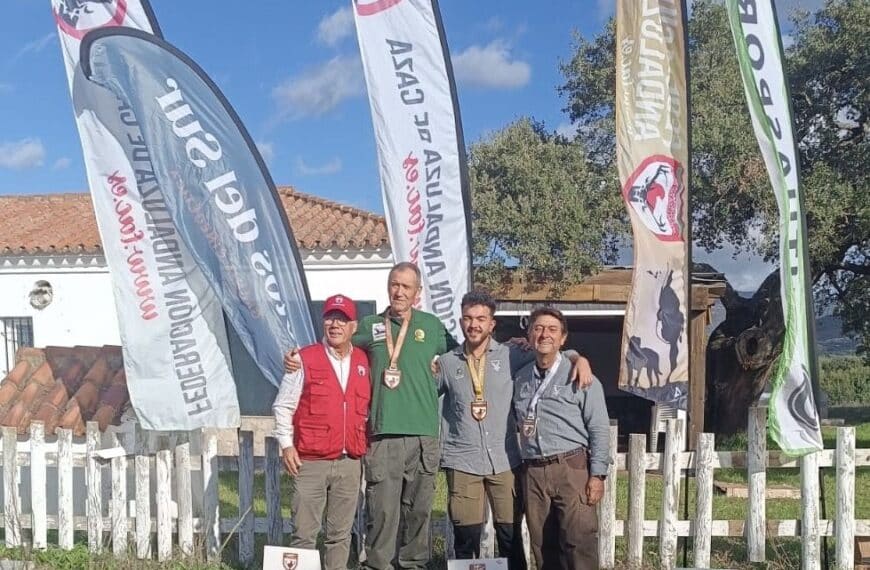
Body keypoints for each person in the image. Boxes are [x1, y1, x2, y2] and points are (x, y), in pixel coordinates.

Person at [438, 291, 593, 569]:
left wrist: (577, 357)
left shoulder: (512, 354)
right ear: (461, 322)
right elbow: (423, 392)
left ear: (492, 324)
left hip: (505, 460)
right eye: (468, 318)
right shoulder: (447, 363)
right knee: (465, 539)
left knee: (509, 538)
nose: (474, 325)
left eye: (481, 319)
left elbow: (550, 353)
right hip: (463, 461)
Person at [272, 294, 371, 570]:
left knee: (339, 536)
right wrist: (286, 444)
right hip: (311, 461)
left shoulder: (364, 361)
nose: (335, 324)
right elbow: (283, 405)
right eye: (330, 317)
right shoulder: (303, 358)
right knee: (304, 534)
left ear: (354, 326)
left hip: (350, 462)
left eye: (342, 319)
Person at [512, 306, 611, 570]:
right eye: (538, 328)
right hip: (533, 470)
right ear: (530, 334)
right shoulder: (520, 378)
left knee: (579, 543)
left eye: (552, 330)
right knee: (543, 547)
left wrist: (597, 475)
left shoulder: (580, 375)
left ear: (563, 338)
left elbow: (599, 427)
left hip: (571, 467)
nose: (545, 334)